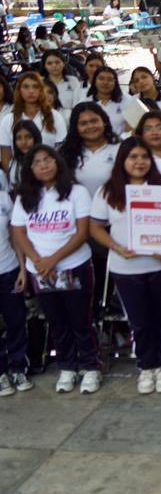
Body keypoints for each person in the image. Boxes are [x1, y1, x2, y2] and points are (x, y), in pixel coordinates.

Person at [88, 138, 161, 395]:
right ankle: (147, 365)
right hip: (126, 268)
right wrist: (116, 247)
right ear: (122, 161)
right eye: (133, 157)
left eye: (144, 157)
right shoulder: (108, 191)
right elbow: (95, 227)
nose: (139, 162)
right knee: (140, 321)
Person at [10, 146, 96, 394]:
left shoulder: (76, 192)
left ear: (57, 162)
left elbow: (82, 233)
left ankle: (90, 366)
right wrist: (38, 262)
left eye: (48, 160)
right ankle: (67, 367)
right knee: (57, 322)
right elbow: (18, 232)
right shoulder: (25, 197)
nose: (44, 165)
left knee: (81, 320)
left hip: (73, 266)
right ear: (30, 169)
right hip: (40, 271)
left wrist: (53, 260)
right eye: (37, 162)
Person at [0, 180, 29, 396]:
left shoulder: (3, 199)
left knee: (16, 321)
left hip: (8, 269)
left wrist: (22, 268)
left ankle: (19, 368)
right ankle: (1, 374)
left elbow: (15, 236)